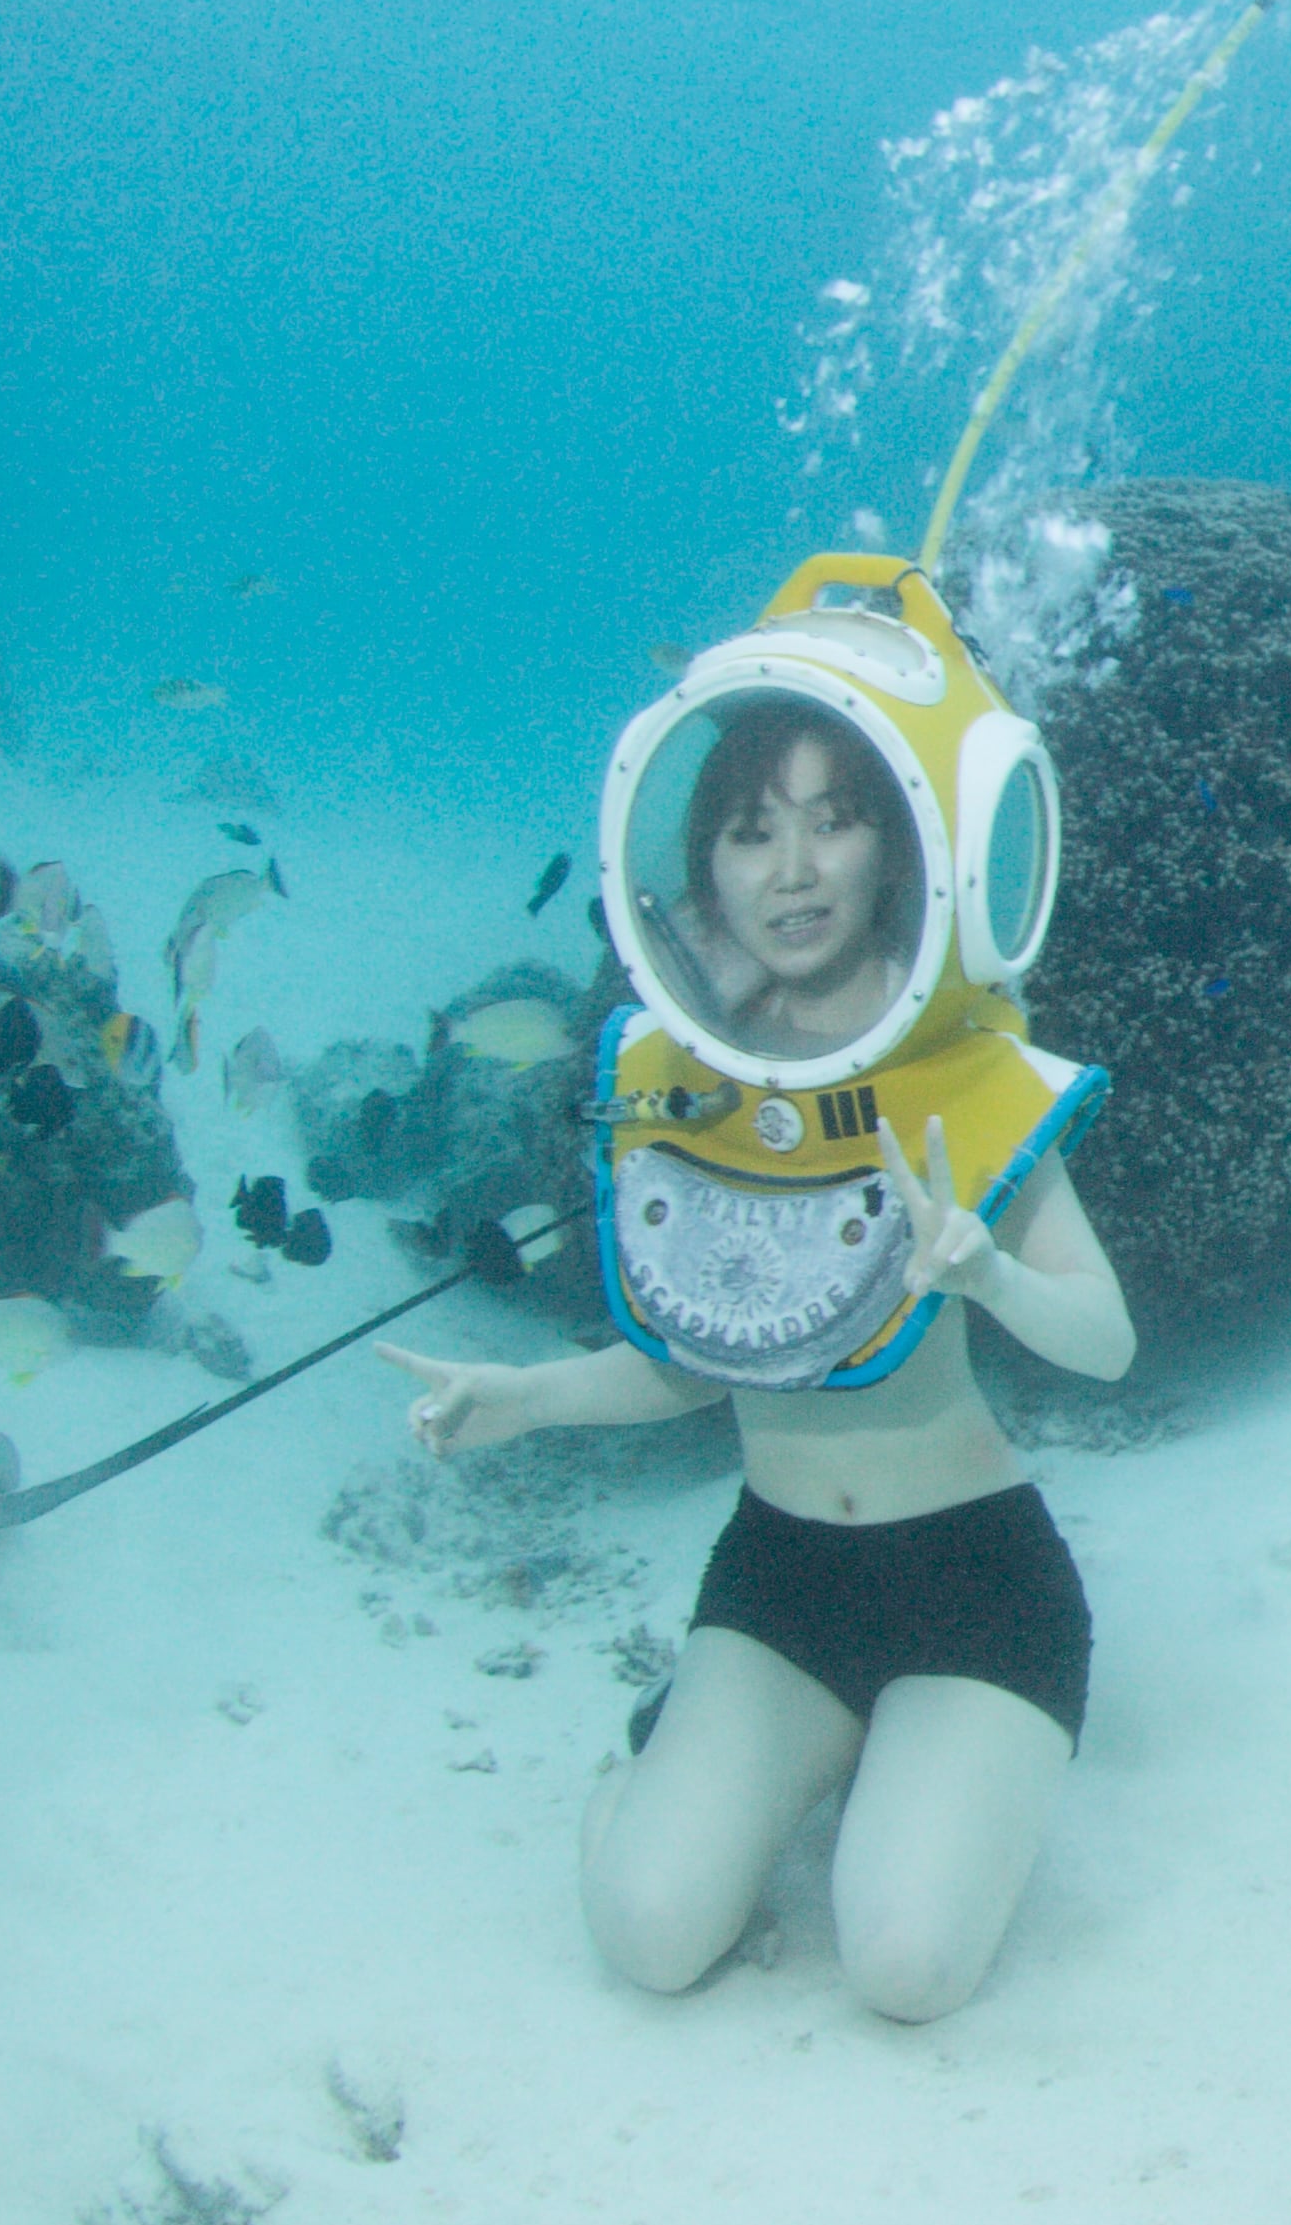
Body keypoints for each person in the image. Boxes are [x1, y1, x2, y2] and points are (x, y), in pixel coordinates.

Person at [387, 569, 1132, 2023]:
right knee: (652, 1937)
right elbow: (688, 1359)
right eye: (750, 828)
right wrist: (523, 1400)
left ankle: (936, 1762)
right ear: (702, 866)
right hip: (779, 1581)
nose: (791, 871)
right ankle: (720, 1757)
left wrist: (984, 1270)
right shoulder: (679, 1082)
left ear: (901, 847)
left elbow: (1104, 1344)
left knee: (909, 1970)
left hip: (981, 1587)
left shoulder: (968, 1085)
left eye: (834, 818)